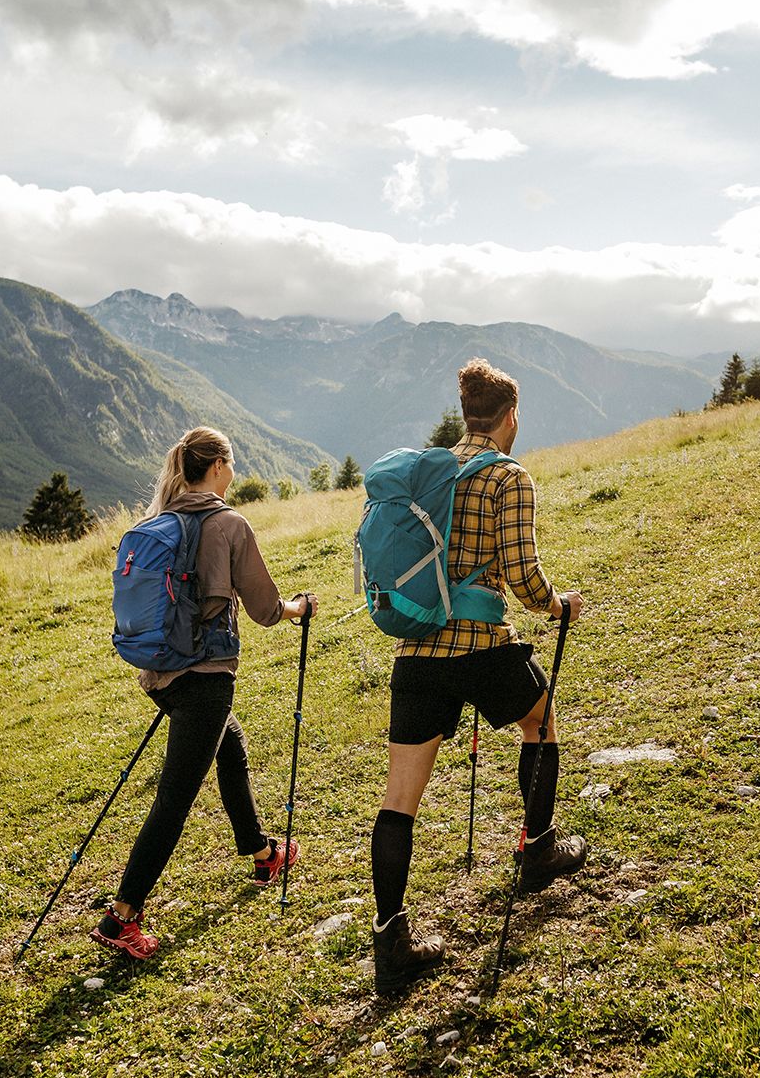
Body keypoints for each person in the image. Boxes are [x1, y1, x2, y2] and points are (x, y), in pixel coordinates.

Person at [371, 359, 588, 995]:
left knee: (399, 799)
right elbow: (522, 575)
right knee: (541, 722)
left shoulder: (429, 473)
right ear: (510, 416)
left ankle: (391, 943)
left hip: (417, 655)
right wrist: (557, 605)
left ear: (467, 414)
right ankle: (539, 847)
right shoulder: (507, 477)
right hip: (483, 646)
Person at [92, 426, 317, 960]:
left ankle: (262, 853)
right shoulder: (227, 523)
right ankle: (121, 917)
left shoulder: (159, 520)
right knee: (175, 797)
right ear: (216, 465)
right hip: (204, 677)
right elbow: (265, 609)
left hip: (159, 674)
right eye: (232, 464)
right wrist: (299, 609)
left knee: (229, 746)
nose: (234, 474)